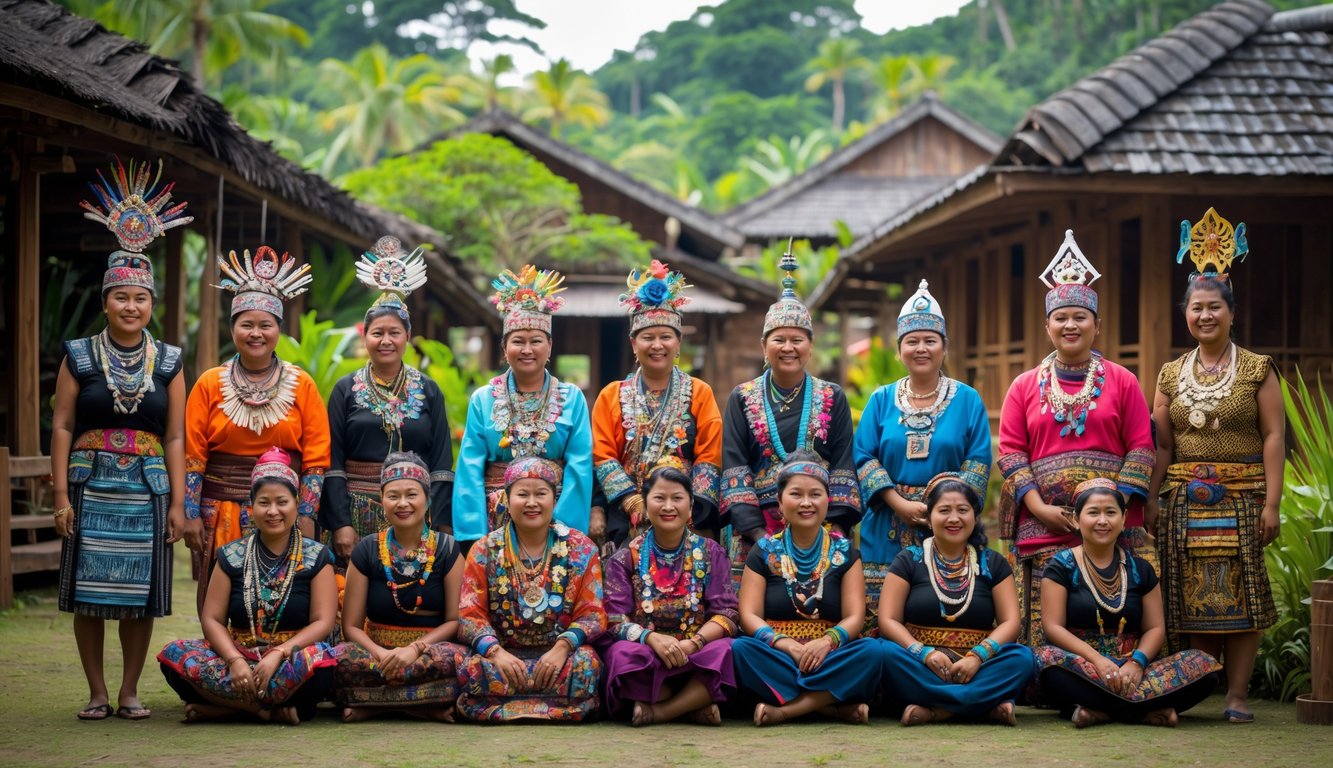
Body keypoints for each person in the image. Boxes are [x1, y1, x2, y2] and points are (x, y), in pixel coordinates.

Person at [51, 159, 190, 721]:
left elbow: (176, 435)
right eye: (121, 297)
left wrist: (180, 503)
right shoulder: (79, 356)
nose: (131, 307)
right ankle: (97, 691)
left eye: (141, 299)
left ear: (151, 303)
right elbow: (61, 425)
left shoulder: (171, 361)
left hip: (147, 486)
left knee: (139, 596)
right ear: (106, 300)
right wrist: (59, 494)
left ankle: (130, 690)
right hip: (90, 483)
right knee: (90, 591)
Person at [1148, 208, 1283, 723]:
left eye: (1214, 308)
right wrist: (1151, 498)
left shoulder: (1256, 368)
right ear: (1187, 313)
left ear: (1231, 311)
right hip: (1184, 501)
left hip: (1243, 497)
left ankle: (1238, 695)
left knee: (1242, 595)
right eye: (1196, 308)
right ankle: (1202, 686)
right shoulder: (1167, 373)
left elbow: (1274, 436)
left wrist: (1273, 502)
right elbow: (1161, 445)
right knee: (1192, 596)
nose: (1205, 316)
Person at [998, 230, 1155, 645]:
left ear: (1096, 325)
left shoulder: (1122, 381)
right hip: (1044, 523)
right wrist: (1039, 508)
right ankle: (1047, 679)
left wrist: (1111, 509)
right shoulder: (1024, 385)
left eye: (1080, 317)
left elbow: (1141, 447)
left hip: (1110, 523)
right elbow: (1012, 452)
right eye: (1061, 317)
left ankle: (1119, 674)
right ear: (1047, 325)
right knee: (1046, 618)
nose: (1071, 325)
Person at [184, 245, 331, 611]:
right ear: (232, 327)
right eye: (246, 324)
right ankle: (225, 663)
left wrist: (308, 514)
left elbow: (316, 459)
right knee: (221, 596)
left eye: (265, 325)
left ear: (278, 329)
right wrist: (189, 513)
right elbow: (192, 455)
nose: (256, 333)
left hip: (283, 509)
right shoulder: (208, 383)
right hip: (218, 510)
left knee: (284, 598)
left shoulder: (302, 384)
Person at [158, 448, 338, 724]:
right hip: (239, 657)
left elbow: (323, 622)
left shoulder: (316, 556)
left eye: (282, 502)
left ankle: (228, 706)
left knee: (324, 662)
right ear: (251, 506)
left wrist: (278, 653)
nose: (273, 511)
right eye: (264, 502)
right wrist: (235, 661)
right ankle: (264, 710)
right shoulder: (231, 555)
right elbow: (212, 619)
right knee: (175, 654)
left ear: (296, 503)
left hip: (288, 661)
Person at [854, 280, 991, 622]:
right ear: (899, 350)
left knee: (941, 611)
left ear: (944, 348)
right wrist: (897, 503)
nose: (921, 348)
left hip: (948, 523)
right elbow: (863, 456)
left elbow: (977, 461)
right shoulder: (881, 399)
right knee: (880, 617)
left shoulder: (967, 399)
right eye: (911, 341)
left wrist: (942, 510)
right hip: (887, 520)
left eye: (930, 341)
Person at [723, 247, 860, 586]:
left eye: (797, 340)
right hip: (758, 531)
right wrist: (758, 537)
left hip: (822, 525)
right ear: (763, 347)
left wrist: (836, 530)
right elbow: (734, 465)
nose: (788, 347)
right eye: (779, 339)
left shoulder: (833, 396)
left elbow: (843, 464)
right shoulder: (741, 397)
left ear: (810, 347)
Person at [1036, 478, 1221, 728]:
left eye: (1110, 512)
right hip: (1084, 666)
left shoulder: (1141, 569)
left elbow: (1155, 628)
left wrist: (1137, 663)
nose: (1103, 520)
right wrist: (1098, 661)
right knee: (1047, 661)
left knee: (1204, 665)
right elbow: (1053, 628)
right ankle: (1141, 712)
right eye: (1093, 513)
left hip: (1133, 668)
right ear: (1077, 520)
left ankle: (1102, 711)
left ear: (1123, 519)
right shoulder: (1061, 566)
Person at [323, 237, 454, 565]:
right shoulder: (345, 389)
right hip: (357, 511)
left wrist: (439, 522)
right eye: (377, 333)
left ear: (407, 337)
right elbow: (333, 459)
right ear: (364, 337)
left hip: (415, 511)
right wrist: (340, 523)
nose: (386, 340)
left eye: (394, 333)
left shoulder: (429, 389)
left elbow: (440, 463)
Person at [732, 453, 879, 726]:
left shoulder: (846, 551)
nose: (806, 503)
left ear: (828, 500)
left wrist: (825, 643)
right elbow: (749, 615)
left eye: (815, 494)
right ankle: (829, 706)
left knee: (872, 652)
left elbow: (855, 616)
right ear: (779, 502)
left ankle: (785, 711)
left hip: (828, 654)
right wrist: (786, 645)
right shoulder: (764, 551)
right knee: (740, 649)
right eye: (796, 494)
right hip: (779, 654)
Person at [456, 457, 606, 721]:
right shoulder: (483, 550)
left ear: (554, 499)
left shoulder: (581, 548)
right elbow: (470, 615)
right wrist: (496, 652)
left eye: (541, 494)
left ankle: (501, 706)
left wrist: (562, 648)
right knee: (471, 667)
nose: (532, 502)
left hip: (559, 656)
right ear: (507, 498)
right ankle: (559, 709)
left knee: (586, 665)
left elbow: (593, 614)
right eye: (522, 494)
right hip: (502, 656)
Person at [453, 266, 592, 551]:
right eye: (518, 341)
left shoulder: (572, 397)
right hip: (496, 520)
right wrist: (474, 534)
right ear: (505, 349)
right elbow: (470, 467)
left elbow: (580, 465)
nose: (527, 349)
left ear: (550, 346)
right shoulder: (483, 398)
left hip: (555, 518)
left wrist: (566, 527)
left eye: (536, 341)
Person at [876, 478, 1034, 726]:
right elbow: (888, 620)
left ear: (974, 516)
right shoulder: (908, 560)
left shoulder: (993, 563)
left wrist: (977, 657)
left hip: (977, 666)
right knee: (882, 652)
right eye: (944, 510)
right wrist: (924, 653)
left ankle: (938, 710)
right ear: (929, 517)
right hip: (922, 665)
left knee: (1022, 658)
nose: (954, 518)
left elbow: (1010, 622)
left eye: (962, 510)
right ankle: (980, 706)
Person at [592, 260, 722, 550]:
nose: (657, 345)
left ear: (678, 342)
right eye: (647, 337)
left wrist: (687, 508)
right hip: (628, 514)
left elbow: (709, 457)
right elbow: (603, 456)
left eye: (666, 337)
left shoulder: (700, 392)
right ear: (633, 343)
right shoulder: (611, 395)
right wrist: (633, 501)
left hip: (688, 514)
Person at [597, 463, 739, 726]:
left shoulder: (711, 552)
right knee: (620, 656)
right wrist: (651, 638)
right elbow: (615, 619)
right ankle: (692, 706)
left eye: (677, 498)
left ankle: (660, 711)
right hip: (648, 652)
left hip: (695, 650)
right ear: (646, 503)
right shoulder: (625, 557)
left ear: (691, 504)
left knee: (726, 650)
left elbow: (727, 613)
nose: (668, 507)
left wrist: (694, 642)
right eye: (659, 498)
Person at [334, 452, 467, 722]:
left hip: (428, 651)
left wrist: (414, 649)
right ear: (381, 500)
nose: (402, 503)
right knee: (339, 659)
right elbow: (350, 627)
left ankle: (375, 705)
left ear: (428, 500)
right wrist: (382, 653)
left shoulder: (447, 549)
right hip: (377, 650)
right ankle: (423, 706)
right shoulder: (367, 549)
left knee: (458, 660)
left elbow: (455, 620)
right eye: (393, 496)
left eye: (412, 495)